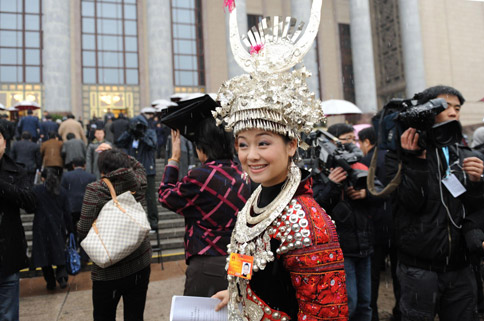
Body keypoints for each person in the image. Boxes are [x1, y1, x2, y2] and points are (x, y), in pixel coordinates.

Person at [212, 3, 348, 319]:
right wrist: (236, 292)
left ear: (291, 146)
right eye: (243, 145)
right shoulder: (255, 201)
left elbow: (325, 314)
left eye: (263, 143)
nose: (251, 155)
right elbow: (245, 261)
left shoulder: (307, 222)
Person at [385, 85, 484, 321]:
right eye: (445, 106)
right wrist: (415, 161)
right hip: (419, 268)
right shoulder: (397, 157)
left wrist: (476, 183)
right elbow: (411, 203)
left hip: (461, 266)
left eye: (457, 108)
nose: (452, 113)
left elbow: (473, 207)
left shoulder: (466, 155)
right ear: (425, 112)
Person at [158, 95, 250, 297]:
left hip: (209, 259)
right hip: (241, 257)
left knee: (204, 313)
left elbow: (165, 196)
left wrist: (174, 159)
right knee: (238, 310)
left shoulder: (201, 176)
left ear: (202, 148)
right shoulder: (245, 173)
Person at [312, 123, 381, 321]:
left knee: (365, 302)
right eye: (345, 138)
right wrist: (332, 184)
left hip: (365, 245)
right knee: (348, 301)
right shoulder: (321, 171)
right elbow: (317, 207)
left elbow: (382, 193)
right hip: (341, 248)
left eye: (353, 138)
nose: (351, 143)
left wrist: (365, 193)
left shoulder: (360, 166)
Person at [78, 149, 151, 320]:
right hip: (139, 263)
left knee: (104, 316)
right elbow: (139, 167)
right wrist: (120, 154)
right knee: (135, 315)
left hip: (108, 272)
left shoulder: (95, 189)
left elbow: (83, 229)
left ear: (102, 171)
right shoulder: (137, 184)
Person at [0, 120, 37, 320]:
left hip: (3, 260)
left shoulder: (17, 170)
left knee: (4, 317)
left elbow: (31, 202)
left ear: (6, 142)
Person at [357, 126, 400, 321]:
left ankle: (372, 314)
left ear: (366, 142)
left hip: (374, 225)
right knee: (399, 272)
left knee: (372, 276)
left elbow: (362, 194)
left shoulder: (366, 161)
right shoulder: (395, 157)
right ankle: (399, 311)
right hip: (397, 224)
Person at [31, 167, 71, 290]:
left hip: (41, 226)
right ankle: (62, 275)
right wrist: (70, 229)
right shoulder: (62, 191)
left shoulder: (37, 190)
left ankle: (50, 281)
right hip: (58, 225)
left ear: (42, 178)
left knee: (44, 255)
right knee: (59, 250)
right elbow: (67, 212)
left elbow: (30, 207)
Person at [116, 114, 159, 230]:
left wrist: (142, 135)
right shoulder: (131, 136)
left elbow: (153, 145)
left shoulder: (149, 133)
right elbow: (119, 142)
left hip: (147, 170)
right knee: (134, 198)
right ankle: (137, 221)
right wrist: (129, 132)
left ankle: (153, 220)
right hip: (133, 170)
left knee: (150, 198)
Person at [61, 157, 96, 263]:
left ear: (73, 165)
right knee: (85, 233)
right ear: (84, 165)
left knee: (72, 231)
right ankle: (84, 256)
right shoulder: (91, 177)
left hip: (70, 209)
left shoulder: (66, 176)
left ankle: (73, 253)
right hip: (85, 208)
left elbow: (62, 192)